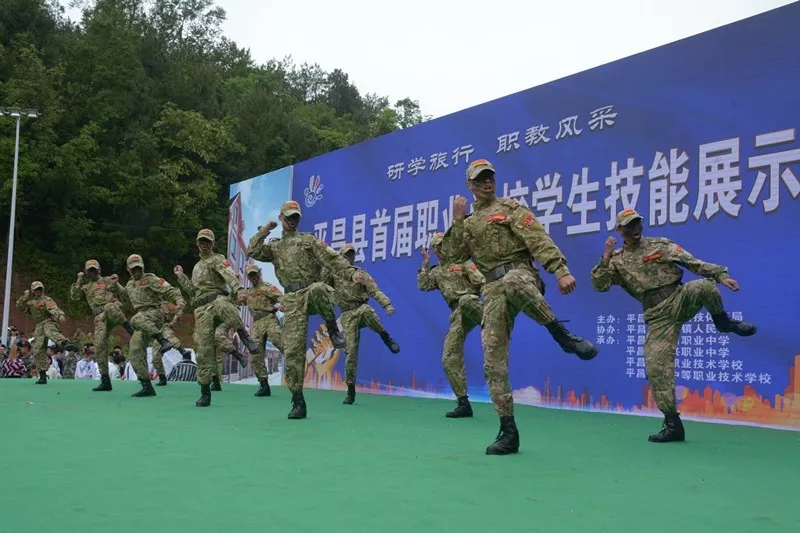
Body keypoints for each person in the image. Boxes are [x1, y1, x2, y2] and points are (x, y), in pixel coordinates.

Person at [441, 158, 598, 455]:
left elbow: (538, 239)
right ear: (470, 185)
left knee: (513, 280)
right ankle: (508, 431)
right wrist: (457, 220)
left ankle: (562, 335)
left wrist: (559, 270)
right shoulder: (468, 222)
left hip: (522, 276)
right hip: (490, 288)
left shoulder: (510, 209)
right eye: (480, 179)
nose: (487, 182)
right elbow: (451, 257)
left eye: (490, 177)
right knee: (492, 359)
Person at [590, 208, 757, 442]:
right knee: (656, 368)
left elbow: (692, 263)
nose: (635, 230)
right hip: (658, 316)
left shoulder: (661, 245)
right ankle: (673, 425)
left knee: (704, 286)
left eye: (638, 224)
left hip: (680, 298)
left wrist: (720, 275)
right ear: (620, 230)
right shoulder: (616, 260)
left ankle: (723, 322)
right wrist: (605, 256)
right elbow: (600, 285)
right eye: (629, 226)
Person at [246, 200, 362, 419]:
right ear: (281, 218)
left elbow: (331, 258)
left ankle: (332, 330)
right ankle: (298, 400)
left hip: (310, 291)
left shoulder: (308, 240)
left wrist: (349, 273)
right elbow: (252, 249)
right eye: (289, 216)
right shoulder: (275, 246)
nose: (292, 220)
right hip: (291, 299)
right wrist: (264, 230)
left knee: (320, 288)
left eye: (296, 217)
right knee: (292, 352)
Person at [173, 228, 259, 407]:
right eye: (201, 241)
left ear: (212, 244)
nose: (204, 244)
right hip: (201, 308)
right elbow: (191, 292)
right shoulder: (196, 267)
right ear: (197, 243)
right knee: (204, 349)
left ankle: (245, 337)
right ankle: (205, 390)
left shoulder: (218, 259)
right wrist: (181, 277)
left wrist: (239, 289)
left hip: (217, 298)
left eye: (208, 241)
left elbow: (229, 275)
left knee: (225, 306)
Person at [322, 243, 400, 405]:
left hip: (360, 308)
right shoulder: (334, 273)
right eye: (346, 255)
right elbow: (323, 283)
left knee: (368, 311)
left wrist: (387, 305)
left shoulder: (361, 274)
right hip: (347, 314)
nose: (349, 258)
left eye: (351, 255)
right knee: (351, 353)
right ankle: (350, 390)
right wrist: (327, 264)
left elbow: (375, 290)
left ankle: (385, 337)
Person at [417, 232, 484, 418]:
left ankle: (494, 325)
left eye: (445, 245)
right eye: (438, 246)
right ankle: (464, 403)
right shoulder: (437, 271)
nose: (442, 249)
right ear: (435, 250)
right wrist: (425, 263)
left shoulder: (463, 263)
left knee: (466, 301)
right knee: (448, 357)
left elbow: (482, 282)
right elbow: (423, 285)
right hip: (458, 313)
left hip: (474, 304)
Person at [119, 254, 185, 398]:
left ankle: (162, 340)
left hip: (155, 313)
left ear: (142, 267)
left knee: (134, 319)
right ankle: (147, 386)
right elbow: (124, 296)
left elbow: (171, 290)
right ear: (128, 269)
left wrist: (178, 301)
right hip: (143, 320)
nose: (136, 271)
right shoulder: (130, 284)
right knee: (135, 351)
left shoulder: (151, 279)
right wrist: (115, 286)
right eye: (133, 269)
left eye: (139, 268)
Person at [70, 259, 134, 392]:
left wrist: (115, 285)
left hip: (112, 312)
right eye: (90, 270)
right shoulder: (86, 287)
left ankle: (129, 328)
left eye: (94, 270)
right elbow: (74, 296)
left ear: (99, 270)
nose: (93, 273)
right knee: (99, 347)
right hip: (99, 317)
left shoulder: (107, 280)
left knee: (110, 306)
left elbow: (124, 295)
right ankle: (105, 381)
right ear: (87, 272)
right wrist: (79, 280)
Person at [15, 281, 78, 384]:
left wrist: (59, 315)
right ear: (32, 291)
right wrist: (24, 297)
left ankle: (65, 343)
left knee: (49, 331)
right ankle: (42, 375)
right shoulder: (31, 303)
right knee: (38, 350)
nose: (38, 291)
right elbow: (20, 307)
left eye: (40, 289)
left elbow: (54, 308)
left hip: (49, 321)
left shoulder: (47, 300)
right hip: (39, 325)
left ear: (42, 289)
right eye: (36, 289)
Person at [239, 263, 284, 397]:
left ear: (260, 273)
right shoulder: (248, 292)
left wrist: (282, 304)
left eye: (255, 274)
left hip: (269, 318)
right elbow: (238, 300)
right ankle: (264, 384)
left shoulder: (267, 287)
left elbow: (280, 297)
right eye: (251, 275)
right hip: (257, 323)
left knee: (278, 339)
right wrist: (239, 298)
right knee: (255, 353)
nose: (254, 277)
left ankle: (294, 361)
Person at [150, 301, 193, 386]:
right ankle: (162, 378)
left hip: (164, 326)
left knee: (169, 334)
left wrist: (173, 321)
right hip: (156, 331)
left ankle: (182, 351)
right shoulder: (146, 305)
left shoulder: (165, 304)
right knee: (155, 357)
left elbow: (178, 312)